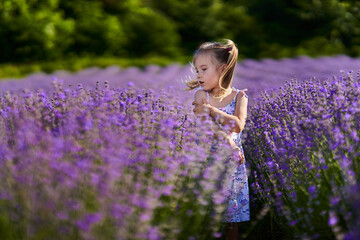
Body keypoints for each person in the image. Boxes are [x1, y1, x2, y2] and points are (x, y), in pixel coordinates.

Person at [186, 39, 250, 240]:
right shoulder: (200, 96)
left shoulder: (240, 96)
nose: (199, 75)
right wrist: (229, 142)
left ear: (222, 69)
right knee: (205, 219)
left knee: (230, 221)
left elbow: (237, 125)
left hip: (232, 167)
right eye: (197, 70)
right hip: (207, 163)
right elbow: (207, 126)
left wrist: (211, 110)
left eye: (204, 69)